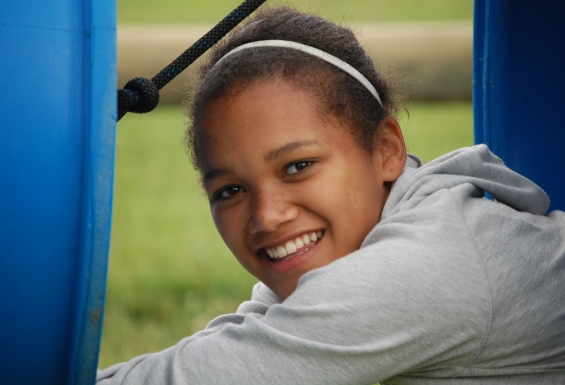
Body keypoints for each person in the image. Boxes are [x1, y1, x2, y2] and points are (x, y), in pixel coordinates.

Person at [97, 7, 565, 384]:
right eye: (231, 190)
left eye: (298, 166)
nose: (267, 216)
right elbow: (232, 346)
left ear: (386, 150)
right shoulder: (372, 243)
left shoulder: (427, 265)